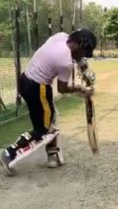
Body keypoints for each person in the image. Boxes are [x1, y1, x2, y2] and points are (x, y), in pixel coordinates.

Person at [0, 30, 97, 175]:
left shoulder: (61, 37)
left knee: (50, 118)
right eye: (83, 52)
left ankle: (53, 154)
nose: (82, 56)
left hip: (25, 80)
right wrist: (82, 90)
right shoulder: (65, 62)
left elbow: (78, 59)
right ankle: (8, 153)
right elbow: (62, 88)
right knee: (43, 130)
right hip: (38, 88)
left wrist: (84, 71)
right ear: (78, 44)